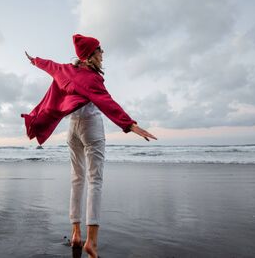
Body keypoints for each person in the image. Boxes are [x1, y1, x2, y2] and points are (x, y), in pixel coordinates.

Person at [22, 34, 156, 258]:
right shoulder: (92, 79)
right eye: (100, 50)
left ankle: (76, 234)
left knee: (77, 178)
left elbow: (49, 65)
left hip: (72, 128)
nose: (103, 54)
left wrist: (35, 60)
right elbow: (107, 102)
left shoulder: (65, 69)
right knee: (95, 180)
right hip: (91, 127)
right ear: (91, 55)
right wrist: (129, 124)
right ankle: (91, 242)